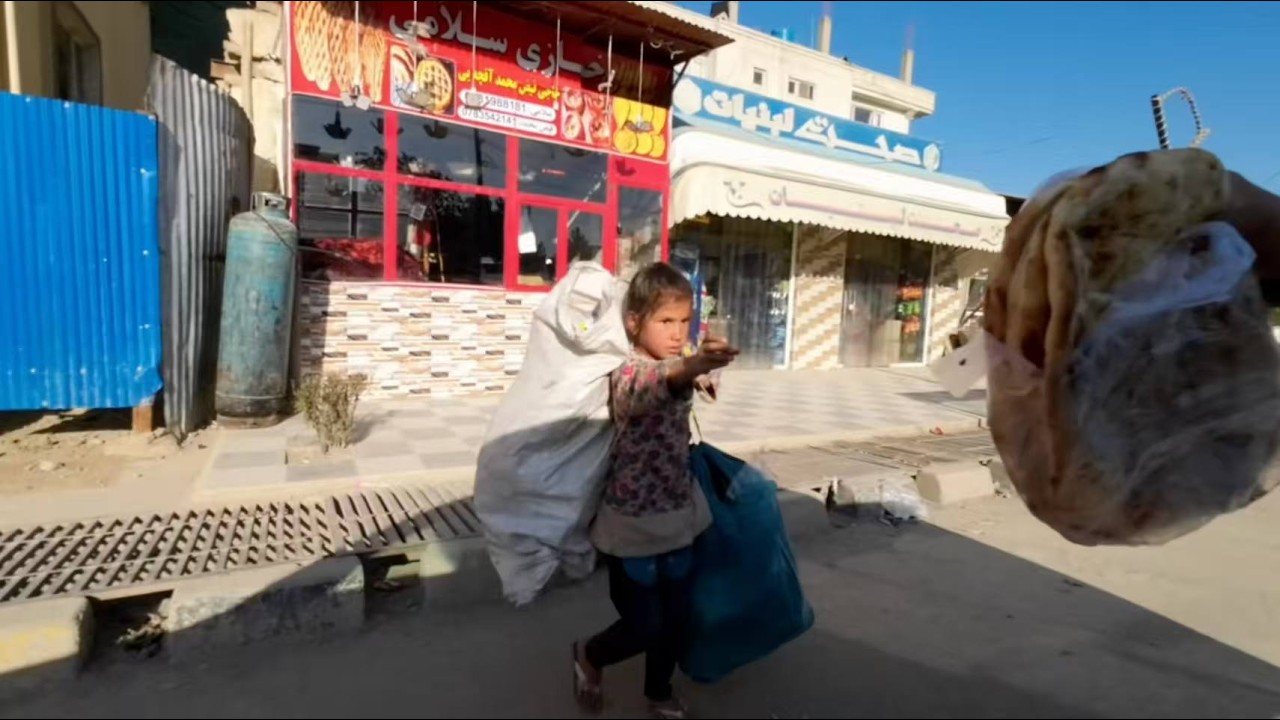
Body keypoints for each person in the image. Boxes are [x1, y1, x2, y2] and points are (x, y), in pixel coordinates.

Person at [572, 262, 739, 719]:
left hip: (679, 514)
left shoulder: (678, 364)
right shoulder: (627, 373)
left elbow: (697, 381)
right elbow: (652, 385)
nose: (676, 331)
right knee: (644, 623)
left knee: (677, 618)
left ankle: (658, 692)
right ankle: (589, 654)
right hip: (631, 525)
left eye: (684, 321)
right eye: (665, 321)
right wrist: (692, 364)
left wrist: (705, 364)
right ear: (633, 322)